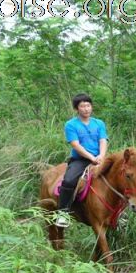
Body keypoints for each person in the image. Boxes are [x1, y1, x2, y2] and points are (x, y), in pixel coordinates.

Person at [55, 93, 108, 228]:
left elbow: (103, 140)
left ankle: (119, 214)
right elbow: (75, 145)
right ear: (77, 109)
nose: (86, 109)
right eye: (82, 106)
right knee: (69, 180)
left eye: (88, 105)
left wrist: (101, 156)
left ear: (92, 107)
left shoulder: (99, 123)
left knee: (120, 176)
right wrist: (91, 158)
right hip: (80, 160)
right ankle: (63, 213)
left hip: (100, 158)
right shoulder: (71, 125)